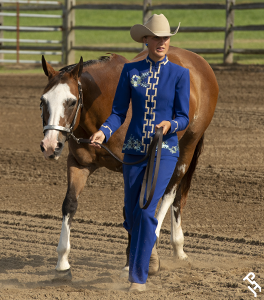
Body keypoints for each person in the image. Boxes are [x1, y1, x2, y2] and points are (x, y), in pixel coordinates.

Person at [90, 14, 190, 292]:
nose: (162, 42)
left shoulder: (180, 74)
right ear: (145, 40)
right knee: (132, 215)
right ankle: (148, 249)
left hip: (165, 151)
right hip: (132, 150)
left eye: (166, 37)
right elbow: (119, 113)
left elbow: (184, 117)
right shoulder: (130, 72)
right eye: (156, 37)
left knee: (146, 210)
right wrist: (104, 132)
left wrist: (171, 123)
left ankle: (138, 278)